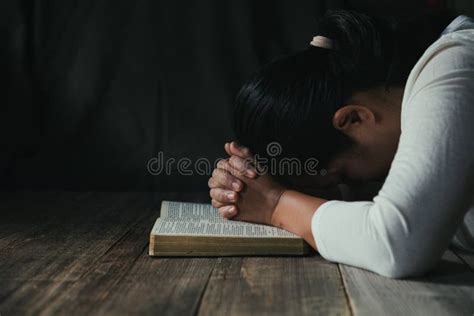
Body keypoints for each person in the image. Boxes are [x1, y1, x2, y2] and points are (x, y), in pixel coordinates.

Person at [207, 11, 474, 278]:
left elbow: (397, 245)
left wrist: (275, 203)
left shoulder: (454, 65)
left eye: (343, 175)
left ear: (353, 118)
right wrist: (254, 187)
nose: (349, 186)